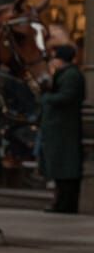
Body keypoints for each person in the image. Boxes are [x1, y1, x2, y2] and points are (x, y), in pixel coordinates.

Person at [39, 43, 86, 213]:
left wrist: (46, 98)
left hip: (64, 129)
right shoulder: (64, 74)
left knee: (65, 170)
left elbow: (66, 97)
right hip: (59, 128)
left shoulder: (71, 75)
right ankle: (61, 202)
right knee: (59, 170)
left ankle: (65, 204)